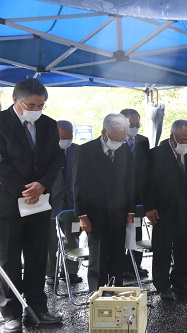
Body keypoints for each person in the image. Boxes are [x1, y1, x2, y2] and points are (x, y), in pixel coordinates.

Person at [0, 78, 63, 332]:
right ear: (16, 100)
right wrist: (25, 190)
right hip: (8, 203)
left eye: (41, 105)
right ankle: (10, 312)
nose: (36, 109)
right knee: (9, 259)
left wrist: (42, 185)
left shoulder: (48, 125)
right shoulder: (1, 122)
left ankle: (38, 308)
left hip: (39, 202)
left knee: (38, 257)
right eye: (32, 104)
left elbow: (56, 159)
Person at [73, 114, 135, 292]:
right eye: (115, 139)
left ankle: (117, 292)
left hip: (119, 213)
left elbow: (130, 181)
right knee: (98, 258)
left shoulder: (125, 150)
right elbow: (78, 184)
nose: (118, 142)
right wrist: (82, 215)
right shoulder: (85, 150)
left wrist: (130, 211)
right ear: (104, 133)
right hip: (95, 214)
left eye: (122, 139)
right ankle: (97, 294)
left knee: (117, 256)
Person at [144, 120, 187, 300]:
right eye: (182, 139)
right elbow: (147, 183)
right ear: (171, 137)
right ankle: (162, 284)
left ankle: (181, 282)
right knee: (163, 248)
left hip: (185, 208)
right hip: (162, 209)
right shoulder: (155, 154)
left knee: (184, 248)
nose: (185, 143)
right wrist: (149, 207)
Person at [46, 121, 82, 286]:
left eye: (69, 137)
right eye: (62, 137)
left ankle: (70, 271)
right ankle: (50, 273)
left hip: (72, 203)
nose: (66, 140)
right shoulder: (46, 151)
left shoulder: (78, 151)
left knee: (72, 238)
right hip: (50, 203)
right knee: (50, 241)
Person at [120, 109, 150, 278]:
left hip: (138, 197)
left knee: (137, 232)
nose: (134, 128)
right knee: (121, 233)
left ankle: (135, 265)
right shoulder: (114, 140)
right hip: (120, 197)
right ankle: (121, 266)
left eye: (137, 124)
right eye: (131, 124)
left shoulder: (143, 141)